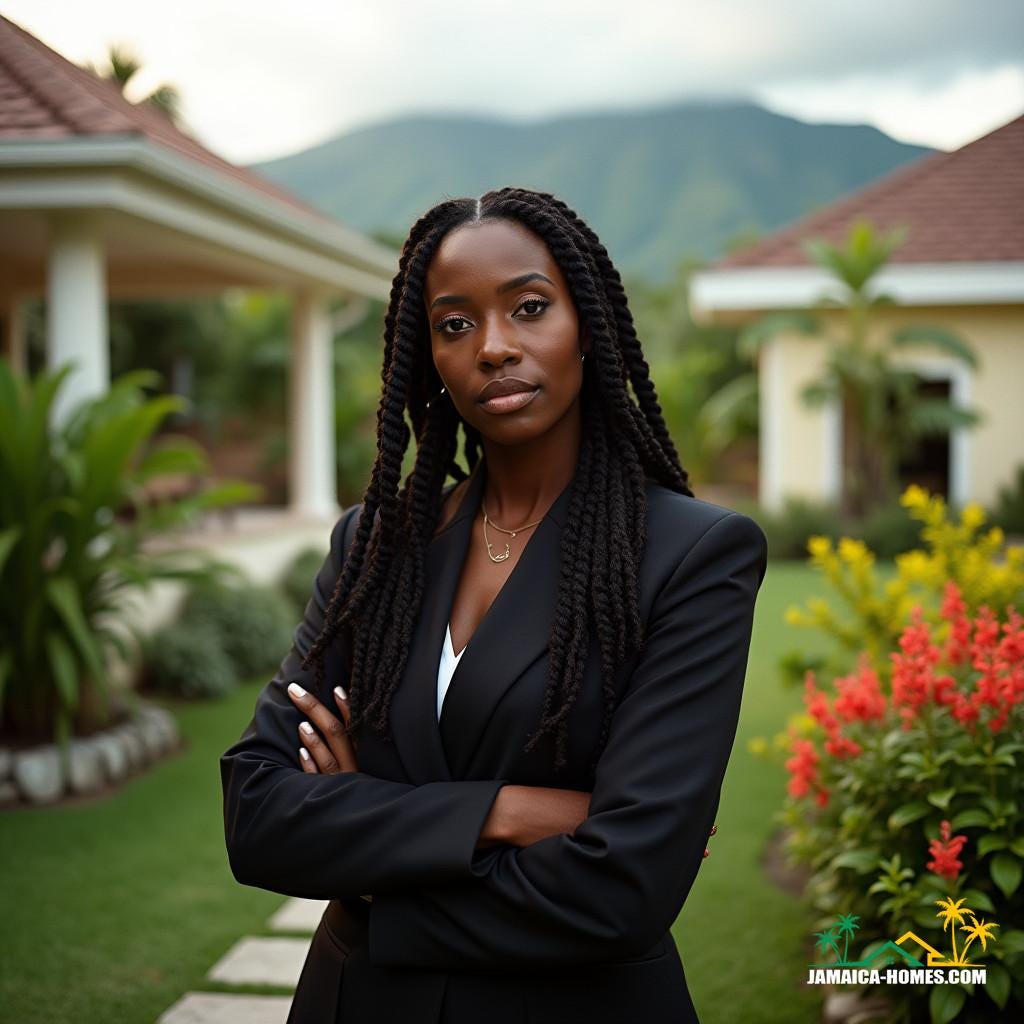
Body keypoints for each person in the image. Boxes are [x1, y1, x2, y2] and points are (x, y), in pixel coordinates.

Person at [219, 186, 769, 1024]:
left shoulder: (690, 556)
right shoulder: (376, 548)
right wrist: (510, 813)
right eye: (455, 324)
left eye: (530, 307)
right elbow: (258, 812)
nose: (494, 347)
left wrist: (371, 869)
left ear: (587, 323)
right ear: (427, 355)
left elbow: (626, 886)